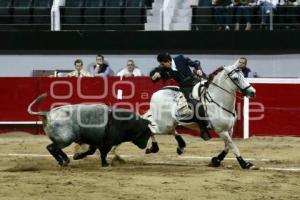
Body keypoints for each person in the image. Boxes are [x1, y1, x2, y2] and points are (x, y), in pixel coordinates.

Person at [150, 53, 211, 141]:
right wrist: (154, 76)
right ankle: (203, 129)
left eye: (162, 63)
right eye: (161, 64)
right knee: (193, 104)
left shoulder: (180, 58)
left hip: (195, 81)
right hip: (185, 87)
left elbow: (195, 64)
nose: (161, 65)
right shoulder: (162, 68)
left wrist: (198, 69)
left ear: (168, 61)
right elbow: (154, 76)